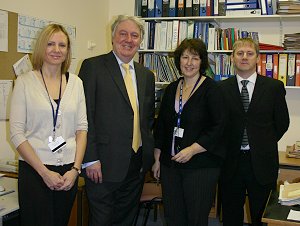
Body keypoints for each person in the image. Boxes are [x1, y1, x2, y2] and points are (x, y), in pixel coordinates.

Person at [78, 15, 155, 226]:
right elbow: (85, 116)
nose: (128, 40)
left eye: (134, 35)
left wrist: (148, 155)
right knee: (102, 220)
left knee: (126, 219)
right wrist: (90, 159)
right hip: (102, 164)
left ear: (140, 41)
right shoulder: (93, 67)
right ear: (112, 37)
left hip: (136, 164)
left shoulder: (146, 75)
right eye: (123, 34)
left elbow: (146, 120)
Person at [9, 24, 88, 226]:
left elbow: (82, 128)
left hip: (68, 172)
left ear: (68, 50)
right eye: (51, 44)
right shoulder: (25, 82)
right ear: (41, 47)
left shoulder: (76, 83)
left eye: (62, 45)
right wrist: (44, 173)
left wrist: (75, 170)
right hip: (35, 171)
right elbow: (17, 133)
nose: (56, 49)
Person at [152, 38, 226, 226]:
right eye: (185, 57)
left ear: (202, 62)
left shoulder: (212, 90)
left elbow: (219, 127)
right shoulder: (171, 89)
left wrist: (192, 149)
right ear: (178, 61)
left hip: (200, 167)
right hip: (171, 167)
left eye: (195, 58)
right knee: (173, 217)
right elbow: (162, 126)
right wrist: (157, 159)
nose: (189, 63)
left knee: (195, 219)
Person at [219, 37, 290, 226]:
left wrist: (262, 142)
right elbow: (218, 126)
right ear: (232, 58)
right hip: (230, 163)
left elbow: (282, 123)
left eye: (250, 54)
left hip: (262, 162)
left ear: (257, 58)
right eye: (239, 53)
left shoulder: (273, 87)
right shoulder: (220, 89)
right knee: (231, 216)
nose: (244, 57)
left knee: (261, 216)